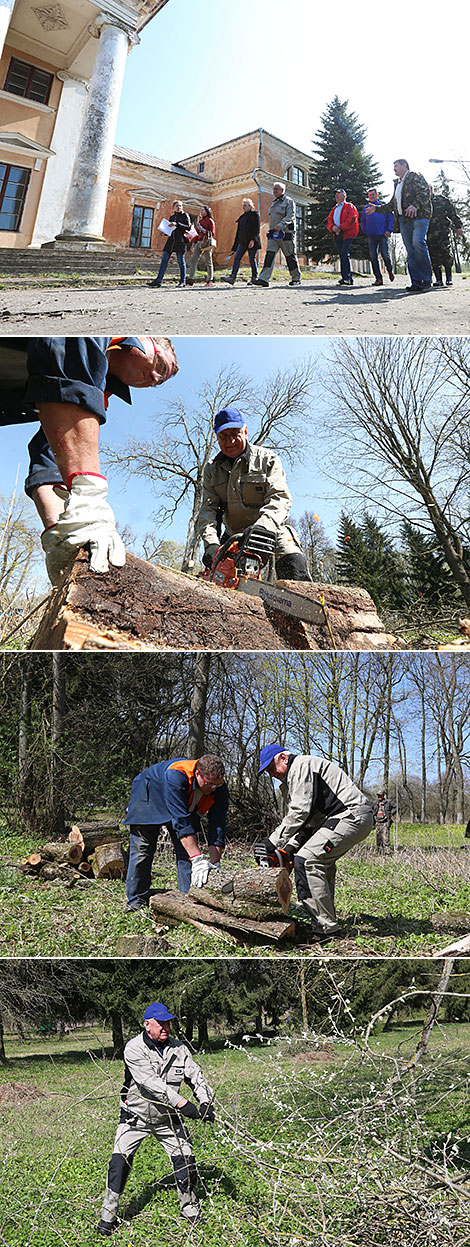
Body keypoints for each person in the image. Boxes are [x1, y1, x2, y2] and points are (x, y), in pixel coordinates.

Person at [0, 336, 178, 584]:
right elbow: (68, 344)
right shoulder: (98, 334)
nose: (156, 378)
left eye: (161, 381)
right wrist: (90, 497)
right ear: (144, 337)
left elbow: (48, 455)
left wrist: (58, 533)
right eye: (160, 365)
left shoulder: (96, 394)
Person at [97, 1000, 215, 1234]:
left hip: (168, 1118)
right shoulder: (133, 1048)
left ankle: (189, 1208)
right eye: (160, 1023)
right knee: (118, 1164)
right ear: (146, 1024)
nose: (165, 1028)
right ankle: (107, 1217)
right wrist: (183, 1103)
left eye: (168, 1023)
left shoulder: (179, 1048)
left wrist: (206, 1102)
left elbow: (196, 1076)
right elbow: (150, 1083)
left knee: (186, 1160)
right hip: (135, 1117)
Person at [255, 744, 373, 941]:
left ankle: (325, 929)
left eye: (272, 768)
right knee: (320, 862)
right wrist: (289, 849)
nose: (272, 774)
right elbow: (311, 821)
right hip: (339, 818)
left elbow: (300, 812)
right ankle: (327, 919)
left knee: (307, 860)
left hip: (351, 816)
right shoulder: (293, 778)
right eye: (267, 771)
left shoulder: (301, 766)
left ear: (283, 757)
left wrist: (272, 842)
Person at [196, 407, 310, 581]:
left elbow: (280, 498)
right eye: (223, 436)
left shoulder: (267, 459)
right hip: (233, 535)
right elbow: (208, 510)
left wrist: (263, 527)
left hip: (270, 528)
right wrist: (211, 543)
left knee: (293, 563)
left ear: (245, 432)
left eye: (235, 434)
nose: (230, 441)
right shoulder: (212, 469)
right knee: (219, 577)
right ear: (217, 438)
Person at [124, 754, 229, 911]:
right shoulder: (176, 775)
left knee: (186, 853)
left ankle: (190, 898)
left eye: (217, 785)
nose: (213, 788)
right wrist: (198, 859)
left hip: (183, 803)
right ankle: (136, 901)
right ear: (198, 774)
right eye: (210, 784)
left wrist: (215, 863)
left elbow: (218, 824)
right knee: (142, 850)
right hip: (148, 795)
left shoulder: (219, 786)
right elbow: (181, 822)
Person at [366, 159, 432, 293]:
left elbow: (424, 192)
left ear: (404, 165)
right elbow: (393, 204)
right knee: (410, 250)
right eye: (394, 166)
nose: (394, 169)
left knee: (418, 243)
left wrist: (415, 206)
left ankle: (426, 279)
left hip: (419, 217)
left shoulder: (414, 176)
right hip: (404, 220)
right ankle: (416, 282)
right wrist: (376, 209)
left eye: (396, 166)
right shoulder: (397, 184)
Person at [255, 182, 301, 287]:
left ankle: (296, 278)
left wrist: (281, 224)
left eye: (276, 189)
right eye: (273, 189)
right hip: (273, 235)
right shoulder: (274, 203)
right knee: (269, 255)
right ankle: (264, 279)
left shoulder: (289, 201)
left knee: (290, 256)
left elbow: (290, 216)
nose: (274, 191)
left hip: (286, 234)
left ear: (282, 191)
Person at [149, 201, 191, 288]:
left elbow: (188, 226)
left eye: (180, 206)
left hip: (180, 241)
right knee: (164, 259)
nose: (179, 207)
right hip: (171, 241)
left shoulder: (185, 215)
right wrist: (165, 233)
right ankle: (158, 280)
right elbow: (171, 230)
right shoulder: (172, 217)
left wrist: (177, 224)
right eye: (177, 206)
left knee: (180, 261)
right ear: (173, 208)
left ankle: (182, 281)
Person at [427, 189, 463, 287]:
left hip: (442, 231)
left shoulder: (441, 200)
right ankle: (438, 279)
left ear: (431, 189)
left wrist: (458, 226)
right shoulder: (422, 201)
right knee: (433, 255)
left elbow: (452, 213)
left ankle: (449, 278)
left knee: (445, 252)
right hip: (428, 233)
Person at [221, 198, 261, 285]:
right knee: (237, 258)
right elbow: (238, 232)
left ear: (250, 206)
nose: (243, 207)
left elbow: (256, 229)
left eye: (245, 205)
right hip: (242, 242)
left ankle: (254, 278)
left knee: (252, 259)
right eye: (243, 205)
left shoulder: (255, 215)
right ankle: (232, 277)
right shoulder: (242, 217)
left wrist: (253, 240)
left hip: (251, 241)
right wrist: (235, 246)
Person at [360, 187, 395, 286]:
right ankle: (378, 278)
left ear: (377, 195)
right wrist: (365, 230)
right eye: (369, 195)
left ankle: (390, 270)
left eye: (373, 195)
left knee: (385, 255)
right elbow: (363, 221)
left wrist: (389, 230)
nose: (371, 196)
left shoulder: (383, 206)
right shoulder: (366, 208)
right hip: (371, 235)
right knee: (373, 257)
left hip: (383, 235)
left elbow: (390, 218)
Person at [326, 189, 359, 286]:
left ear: (344, 196)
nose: (336, 196)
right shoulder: (335, 208)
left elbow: (351, 220)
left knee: (344, 252)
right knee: (342, 254)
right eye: (335, 194)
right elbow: (329, 220)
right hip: (337, 234)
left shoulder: (349, 206)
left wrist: (340, 228)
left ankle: (348, 278)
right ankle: (345, 277)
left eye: (338, 194)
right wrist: (333, 228)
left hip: (347, 233)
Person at [187, 205, 216, 287]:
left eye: (202, 210)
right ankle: (191, 278)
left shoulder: (210, 221)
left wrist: (203, 230)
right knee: (194, 259)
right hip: (198, 242)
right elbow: (196, 234)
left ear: (207, 212)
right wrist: (193, 244)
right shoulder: (200, 221)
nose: (201, 211)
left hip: (206, 243)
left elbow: (212, 233)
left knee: (208, 261)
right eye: (201, 210)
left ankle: (210, 279)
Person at [372, 790, 396, 854]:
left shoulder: (388, 802)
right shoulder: (375, 803)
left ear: (383, 795)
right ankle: (379, 853)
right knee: (378, 839)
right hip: (377, 823)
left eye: (380, 795)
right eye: (378, 795)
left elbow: (397, 807)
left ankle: (388, 853)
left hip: (385, 822)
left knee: (386, 839)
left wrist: (391, 814)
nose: (379, 797)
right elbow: (371, 810)